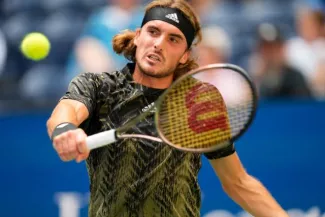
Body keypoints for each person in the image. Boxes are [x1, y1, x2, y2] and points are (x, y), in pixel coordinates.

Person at [47, 0, 289, 216]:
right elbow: (67, 111)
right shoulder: (98, 86)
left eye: (173, 39)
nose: (158, 44)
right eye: (153, 32)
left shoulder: (199, 100)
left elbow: (237, 182)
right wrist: (65, 131)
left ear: (184, 55)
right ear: (138, 36)